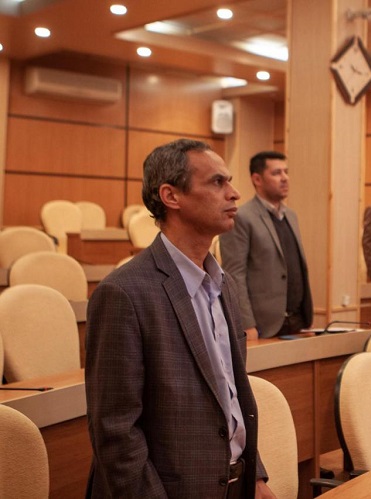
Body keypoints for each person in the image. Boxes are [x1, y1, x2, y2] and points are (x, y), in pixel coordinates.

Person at [85, 139, 275, 498]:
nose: (234, 193)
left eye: (229, 181)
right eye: (217, 182)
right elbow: (116, 431)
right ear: (171, 196)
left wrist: (255, 476)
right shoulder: (123, 293)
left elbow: (230, 396)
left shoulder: (225, 284)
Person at [220, 151, 312, 339]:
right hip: (264, 326)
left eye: (286, 172)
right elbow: (234, 275)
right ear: (257, 179)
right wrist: (246, 324)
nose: (285, 178)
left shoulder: (291, 216)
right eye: (277, 173)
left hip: (298, 322)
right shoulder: (241, 217)